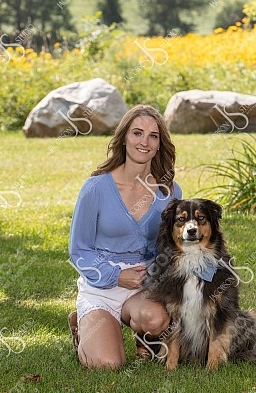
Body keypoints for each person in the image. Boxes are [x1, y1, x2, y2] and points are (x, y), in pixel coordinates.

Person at [68, 104, 182, 369]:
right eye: (137, 133)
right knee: (108, 363)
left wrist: (155, 271)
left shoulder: (169, 190)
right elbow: (79, 250)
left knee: (155, 320)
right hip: (101, 287)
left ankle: (143, 336)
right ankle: (82, 327)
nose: (144, 142)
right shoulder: (96, 188)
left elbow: (172, 246)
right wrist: (116, 276)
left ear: (160, 144)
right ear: (124, 138)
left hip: (146, 287)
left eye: (153, 136)